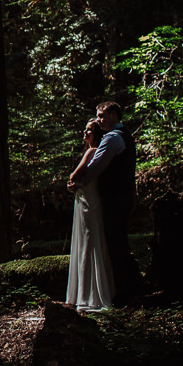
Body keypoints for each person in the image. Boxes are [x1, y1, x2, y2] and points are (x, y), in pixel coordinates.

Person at [69, 101, 141, 306]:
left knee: (116, 244)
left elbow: (95, 167)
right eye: (98, 116)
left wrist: (78, 183)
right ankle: (124, 289)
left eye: (102, 116)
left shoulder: (113, 138)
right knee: (116, 243)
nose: (99, 120)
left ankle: (124, 293)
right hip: (121, 195)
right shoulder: (124, 135)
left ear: (113, 114)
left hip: (115, 198)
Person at [65, 119, 115, 312]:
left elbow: (74, 175)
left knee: (88, 241)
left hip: (88, 201)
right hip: (88, 197)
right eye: (85, 129)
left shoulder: (92, 152)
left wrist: (72, 181)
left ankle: (87, 295)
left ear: (97, 134)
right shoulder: (97, 153)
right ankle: (90, 292)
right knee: (92, 240)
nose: (85, 133)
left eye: (89, 130)